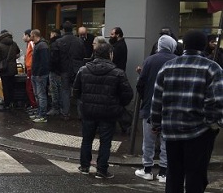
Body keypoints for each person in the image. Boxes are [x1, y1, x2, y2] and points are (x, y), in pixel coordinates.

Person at [151, 30, 223, 193]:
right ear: (204, 45)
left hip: (171, 130)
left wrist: (156, 123)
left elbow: (157, 98)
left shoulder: (167, 66)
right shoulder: (212, 67)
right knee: (195, 176)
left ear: (184, 46)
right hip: (199, 131)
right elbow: (217, 100)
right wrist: (214, 123)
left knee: (174, 174)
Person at [74, 43, 133, 179]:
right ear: (110, 55)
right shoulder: (117, 73)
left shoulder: (84, 70)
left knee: (87, 139)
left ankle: (84, 166)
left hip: (88, 110)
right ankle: (101, 169)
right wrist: (118, 105)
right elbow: (127, 94)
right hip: (108, 112)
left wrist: (84, 101)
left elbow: (76, 91)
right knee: (105, 141)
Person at [134, 35, 177, 183]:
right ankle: (164, 173)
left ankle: (147, 170)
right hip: (170, 108)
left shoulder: (149, 60)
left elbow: (140, 84)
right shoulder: (176, 60)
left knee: (149, 140)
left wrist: (145, 95)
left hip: (150, 106)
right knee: (166, 141)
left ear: (159, 45)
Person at [48, 21, 85, 119]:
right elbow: (83, 55)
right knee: (79, 91)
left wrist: (57, 70)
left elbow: (55, 58)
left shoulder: (58, 42)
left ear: (63, 30)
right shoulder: (79, 41)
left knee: (65, 91)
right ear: (72, 29)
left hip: (64, 69)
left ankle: (65, 113)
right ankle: (81, 114)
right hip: (77, 69)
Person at [29, 30, 50, 123]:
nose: (30, 37)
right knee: (38, 95)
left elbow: (45, 62)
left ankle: (42, 115)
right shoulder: (39, 45)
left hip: (40, 75)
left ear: (34, 35)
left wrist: (39, 73)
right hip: (36, 74)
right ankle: (39, 113)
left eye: (31, 35)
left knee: (41, 95)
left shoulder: (42, 46)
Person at [22, 29, 37, 112]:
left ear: (28, 36)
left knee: (30, 88)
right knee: (30, 87)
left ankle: (34, 105)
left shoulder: (31, 43)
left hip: (31, 68)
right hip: (29, 67)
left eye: (24, 35)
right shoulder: (29, 44)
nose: (23, 37)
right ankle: (33, 104)